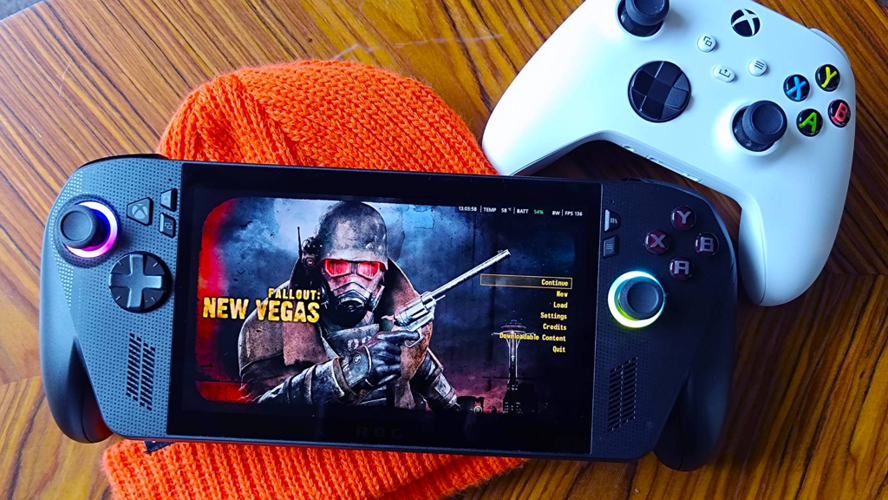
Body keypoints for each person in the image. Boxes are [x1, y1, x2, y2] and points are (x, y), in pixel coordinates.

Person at [238, 201, 458, 410]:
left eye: (368, 269)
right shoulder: (267, 324)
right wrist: (351, 371)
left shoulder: (396, 307)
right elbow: (262, 412)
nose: (353, 281)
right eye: (338, 267)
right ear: (314, 265)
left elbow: (422, 368)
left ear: (382, 272)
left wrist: (452, 408)